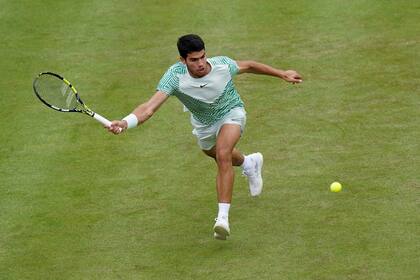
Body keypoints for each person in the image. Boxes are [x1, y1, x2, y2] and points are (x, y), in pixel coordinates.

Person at [108, 34, 303, 240]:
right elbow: (148, 108)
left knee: (222, 153)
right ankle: (249, 163)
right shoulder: (174, 77)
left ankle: (222, 219)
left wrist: (282, 73)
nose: (201, 63)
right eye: (194, 60)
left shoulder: (222, 65)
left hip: (232, 112)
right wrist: (125, 122)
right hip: (204, 124)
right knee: (213, 152)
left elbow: (249, 66)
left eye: (202, 57)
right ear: (182, 60)